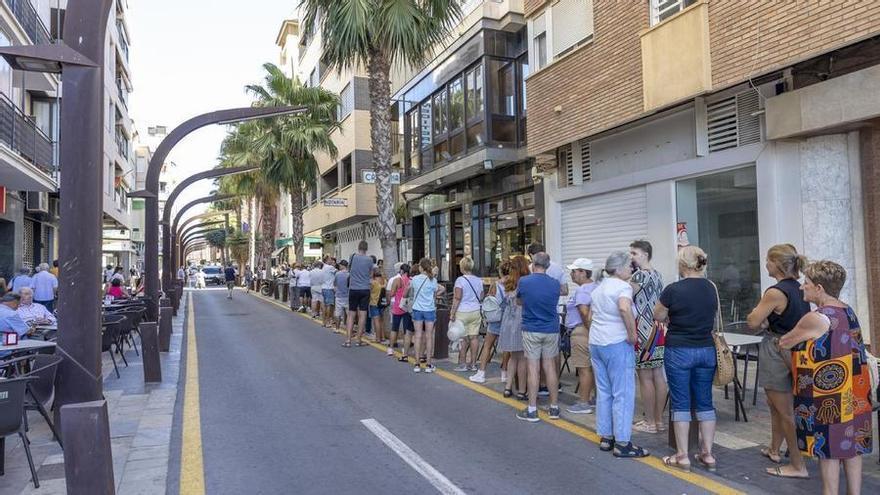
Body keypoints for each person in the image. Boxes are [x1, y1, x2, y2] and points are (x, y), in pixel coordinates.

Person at [777, 260, 873, 493]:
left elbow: (784, 342)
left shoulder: (817, 318)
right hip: (856, 390)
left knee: (828, 451)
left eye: (806, 283)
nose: (802, 288)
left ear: (819, 288)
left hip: (828, 395)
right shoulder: (847, 310)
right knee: (852, 447)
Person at [746, 244, 811, 478]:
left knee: (784, 411)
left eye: (768, 260)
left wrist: (759, 316)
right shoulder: (799, 288)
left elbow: (753, 321)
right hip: (797, 348)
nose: (765, 264)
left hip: (777, 348)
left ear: (777, 264)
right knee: (776, 405)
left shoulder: (775, 292)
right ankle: (775, 449)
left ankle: (797, 464)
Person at [654, 246, 717, 471]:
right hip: (706, 349)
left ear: (682, 264)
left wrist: (673, 317)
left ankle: (682, 455)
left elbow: (657, 315)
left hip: (679, 349)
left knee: (681, 402)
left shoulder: (673, 290)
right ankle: (707, 454)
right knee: (705, 401)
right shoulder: (711, 288)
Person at [589, 251, 648, 458]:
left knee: (604, 391)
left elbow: (590, 315)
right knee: (622, 392)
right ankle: (623, 442)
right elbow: (624, 308)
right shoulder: (622, 287)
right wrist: (632, 335)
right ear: (620, 268)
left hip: (596, 342)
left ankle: (606, 437)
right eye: (629, 266)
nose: (632, 269)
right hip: (616, 342)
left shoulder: (599, 287)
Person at [515, 252, 562, 422]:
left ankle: (532, 409)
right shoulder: (555, 284)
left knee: (533, 368)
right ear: (548, 266)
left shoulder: (524, 281)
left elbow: (519, 302)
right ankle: (554, 407)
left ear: (533, 264)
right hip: (551, 328)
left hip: (531, 328)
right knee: (550, 367)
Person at [629, 240, 667, 434]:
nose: (631, 257)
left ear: (645, 254)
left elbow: (626, 298)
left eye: (634, 253)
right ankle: (659, 421)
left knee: (645, 377)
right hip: (658, 329)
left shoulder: (638, 276)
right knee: (658, 375)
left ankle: (650, 422)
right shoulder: (658, 275)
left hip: (643, 330)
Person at [564, 258, 597, 414]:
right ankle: (595, 398)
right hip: (589, 331)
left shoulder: (583, 291)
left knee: (584, 368)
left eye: (574, 271)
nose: (572, 274)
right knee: (593, 368)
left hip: (582, 331)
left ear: (583, 272)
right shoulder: (595, 287)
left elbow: (584, 312)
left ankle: (584, 402)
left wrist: (589, 329)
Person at [470, 261, 511, 383]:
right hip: (507, 318)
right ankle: (504, 372)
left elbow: (489, 300)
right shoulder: (513, 284)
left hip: (495, 319)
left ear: (500, 271)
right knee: (506, 348)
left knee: (487, 345)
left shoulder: (496, 285)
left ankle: (481, 372)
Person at [498, 257, 530, 398]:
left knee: (512, 357)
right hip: (521, 320)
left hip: (508, 321)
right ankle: (522, 390)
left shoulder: (508, 282)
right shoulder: (526, 282)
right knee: (522, 357)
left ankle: (508, 387)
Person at [409, 258, 445, 372]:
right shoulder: (432, 280)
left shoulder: (414, 279)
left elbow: (411, 291)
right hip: (429, 310)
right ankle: (429, 364)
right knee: (429, 336)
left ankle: (417, 364)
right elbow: (437, 291)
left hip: (417, 309)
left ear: (421, 267)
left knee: (418, 335)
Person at [450, 257, 485, 372]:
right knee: (474, 337)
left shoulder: (460, 280)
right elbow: (481, 297)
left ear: (461, 267)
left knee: (463, 339)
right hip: (475, 311)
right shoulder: (479, 280)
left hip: (462, 311)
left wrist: (452, 312)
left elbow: (457, 297)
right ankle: (474, 363)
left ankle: (463, 364)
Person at [344, 241, 374, 347]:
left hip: (353, 289)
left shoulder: (352, 257)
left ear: (358, 247)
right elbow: (371, 274)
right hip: (365, 289)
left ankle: (348, 340)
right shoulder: (370, 260)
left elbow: (349, 270)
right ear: (367, 248)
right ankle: (359, 340)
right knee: (363, 315)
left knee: (351, 314)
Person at [388, 263, 413, 358]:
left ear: (401, 271)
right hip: (407, 308)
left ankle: (391, 348)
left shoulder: (397, 280)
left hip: (398, 307)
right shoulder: (411, 280)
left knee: (395, 328)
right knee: (406, 330)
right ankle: (404, 349)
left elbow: (391, 293)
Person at [369, 268, 387, 343]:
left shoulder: (373, 282)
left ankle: (377, 338)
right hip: (382, 303)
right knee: (381, 320)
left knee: (376, 321)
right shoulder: (384, 280)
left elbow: (369, 291)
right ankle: (383, 337)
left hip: (374, 302)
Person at [333, 261, 350, 334]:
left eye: (340, 265)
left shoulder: (337, 274)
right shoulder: (350, 274)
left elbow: (335, 284)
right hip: (348, 296)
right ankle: (349, 329)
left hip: (339, 296)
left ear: (343, 266)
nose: (339, 266)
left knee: (338, 313)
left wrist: (336, 291)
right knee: (349, 314)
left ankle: (337, 328)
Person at [321, 256, 337, 328]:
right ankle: (328, 321)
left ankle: (324, 321)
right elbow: (339, 272)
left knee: (325, 305)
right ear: (327, 260)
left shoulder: (323, 267)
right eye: (330, 259)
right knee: (329, 306)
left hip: (324, 288)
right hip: (329, 288)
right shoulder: (330, 267)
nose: (332, 261)